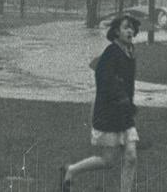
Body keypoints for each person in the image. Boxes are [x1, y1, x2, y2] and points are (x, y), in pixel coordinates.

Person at [59, 14, 139, 191]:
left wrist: (128, 103)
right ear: (117, 32)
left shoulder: (130, 52)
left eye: (132, 28)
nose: (130, 31)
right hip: (109, 112)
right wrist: (120, 96)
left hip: (125, 113)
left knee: (131, 156)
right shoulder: (111, 52)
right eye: (126, 27)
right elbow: (102, 77)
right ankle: (71, 170)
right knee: (108, 160)